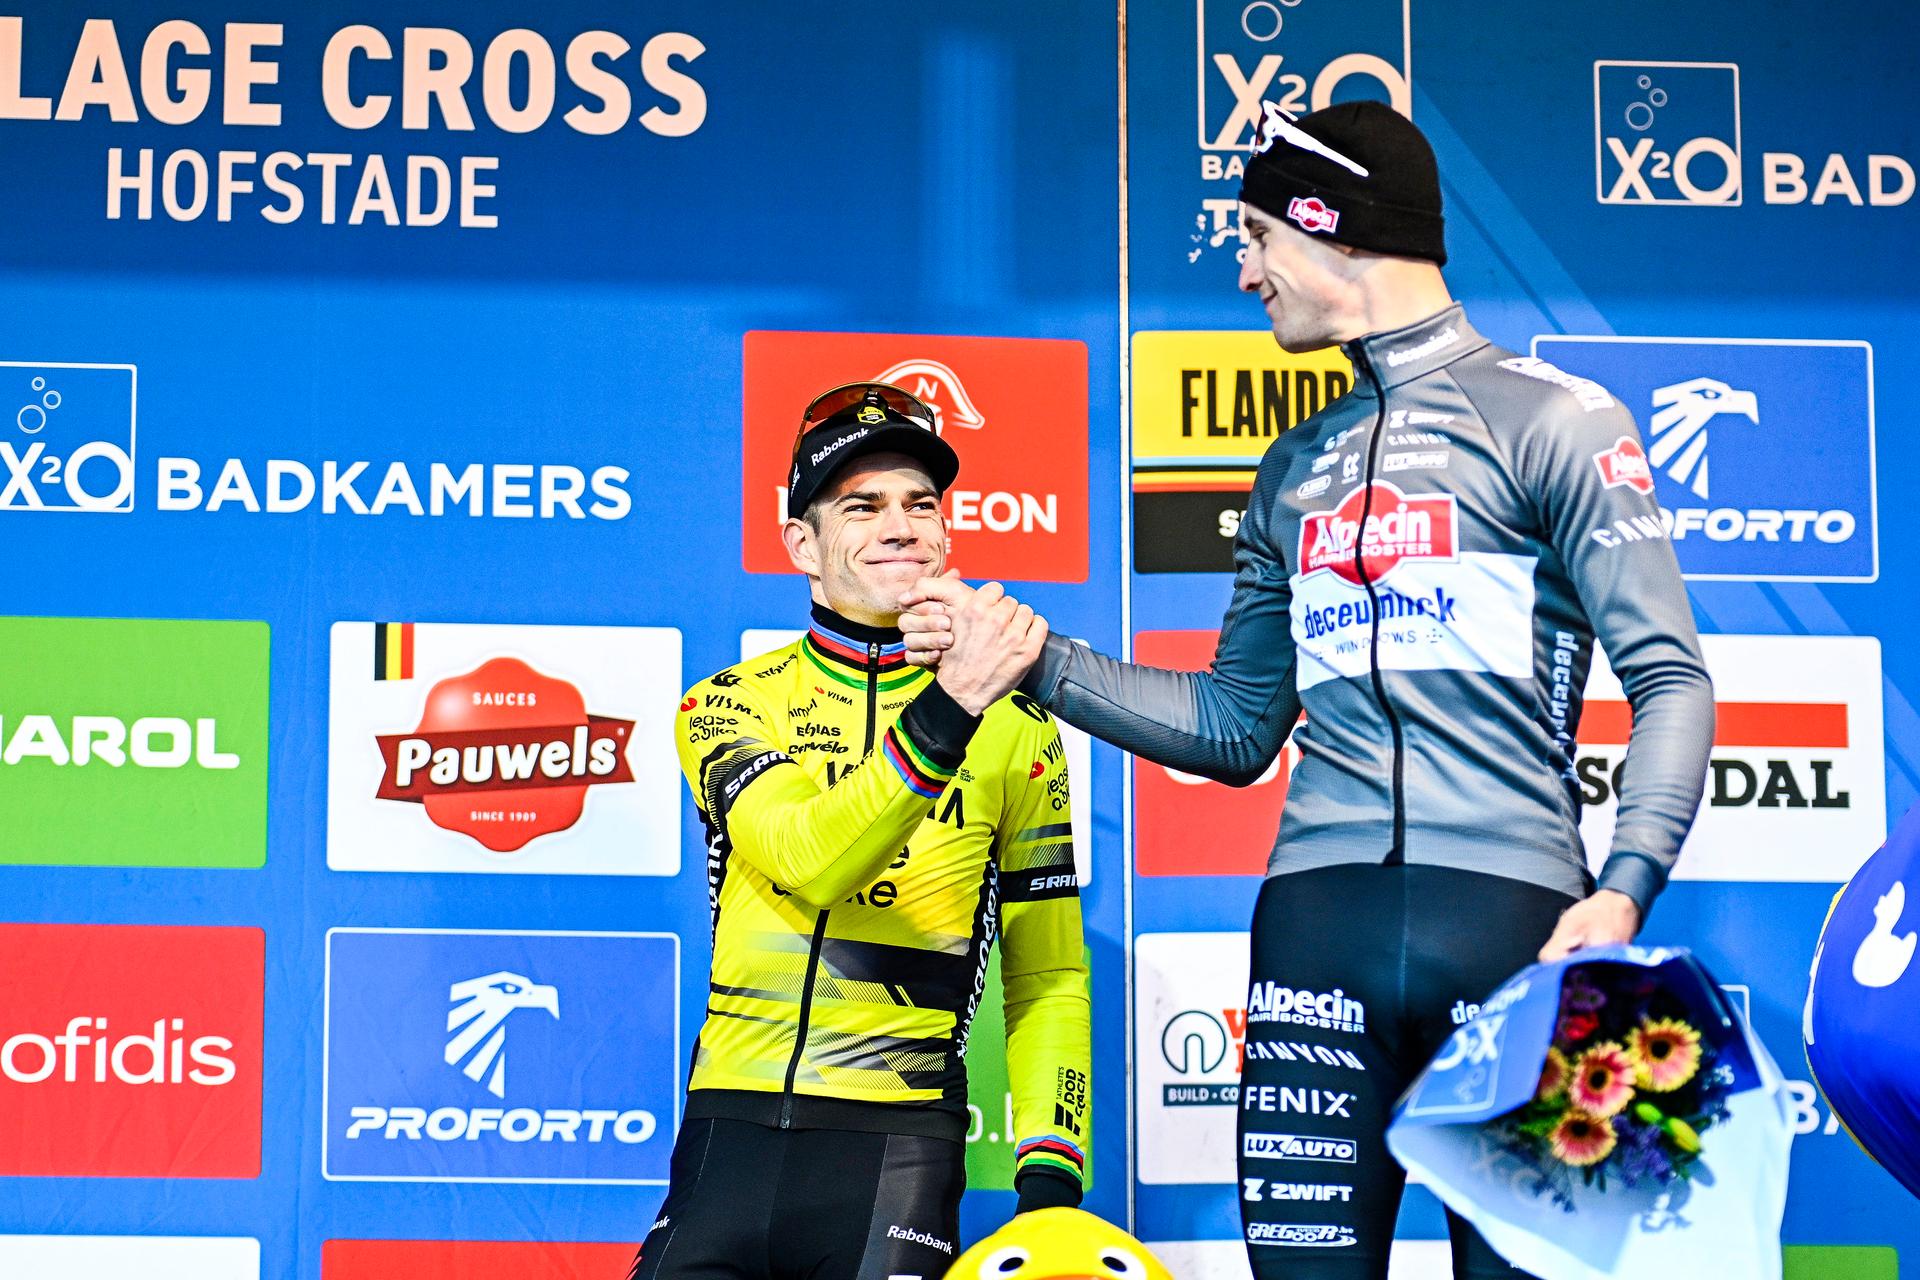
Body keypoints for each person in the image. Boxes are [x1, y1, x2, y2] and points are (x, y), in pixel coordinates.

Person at [901, 101, 1713, 1278]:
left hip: (1519, 929)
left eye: (1256, 236)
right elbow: (1234, 728)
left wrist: (1626, 890)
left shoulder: (1554, 419)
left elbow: (1670, 675)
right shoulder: (1291, 466)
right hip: (1314, 939)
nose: (1244, 272)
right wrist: (1036, 660)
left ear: (1329, 225)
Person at [631, 383, 1091, 1280]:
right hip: (728, 1137)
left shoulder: (1021, 730)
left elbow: (1052, 973)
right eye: (862, 505)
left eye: (923, 503)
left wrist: (1049, 1192)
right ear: (801, 542)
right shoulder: (728, 702)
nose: (901, 525)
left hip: (899, 1153)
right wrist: (955, 705)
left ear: (949, 534)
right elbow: (812, 859)